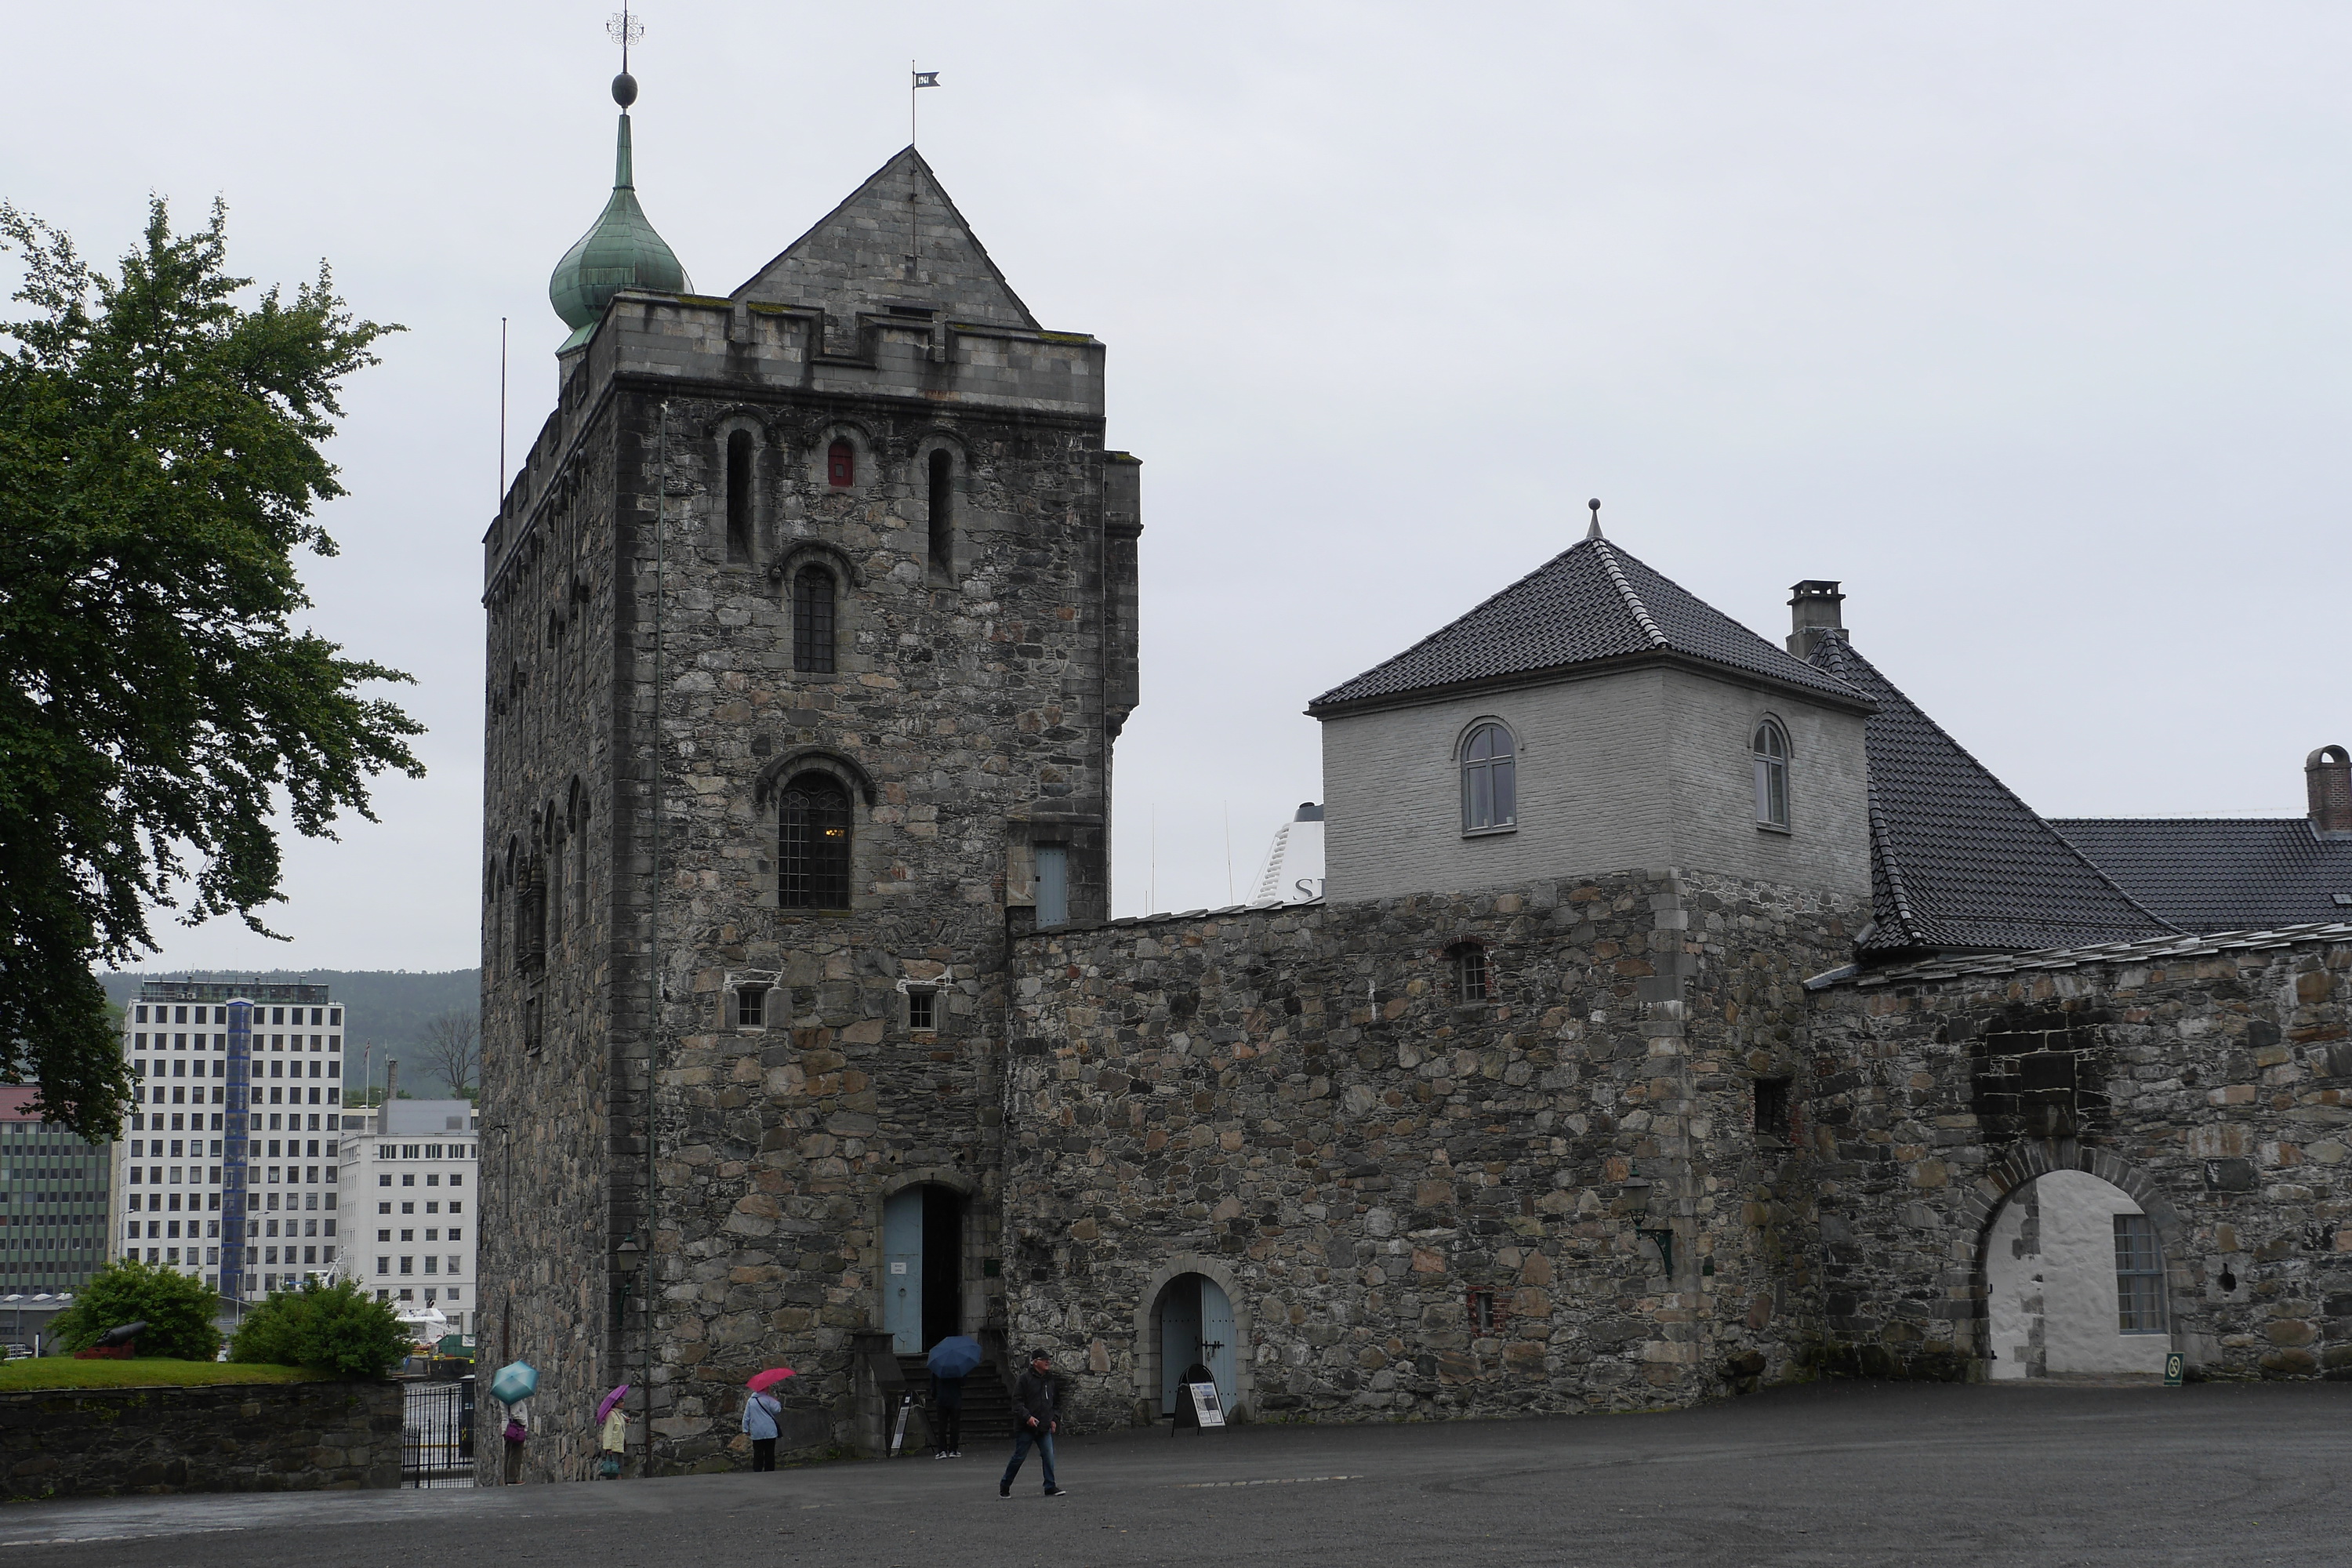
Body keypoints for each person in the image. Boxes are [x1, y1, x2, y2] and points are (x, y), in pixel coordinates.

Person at [999, 1348, 1068, 1497]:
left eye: (1048, 1359)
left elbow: (1056, 1402)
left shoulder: (1050, 1380)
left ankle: (1050, 1485)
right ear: (1036, 1362)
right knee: (1019, 1457)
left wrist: (1054, 1419)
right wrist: (1027, 1417)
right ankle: (1005, 1485)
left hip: (1044, 1426)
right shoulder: (1024, 1379)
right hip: (1026, 1427)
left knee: (1048, 1455)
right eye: (1044, 1360)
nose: (1048, 1362)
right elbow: (1017, 1403)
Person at [742, 1385, 781, 1472]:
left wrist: (746, 1429)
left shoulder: (751, 1401)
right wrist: (777, 1402)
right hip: (769, 1429)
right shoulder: (769, 1399)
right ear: (766, 1388)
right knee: (770, 1451)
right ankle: (769, 1470)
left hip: (756, 1430)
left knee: (758, 1451)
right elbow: (777, 1410)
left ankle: (757, 1469)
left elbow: (746, 1417)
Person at [932, 1363, 965, 1458]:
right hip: (955, 1399)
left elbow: (933, 1383)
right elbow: (963, 1382)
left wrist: (935, 1395)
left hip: (941, 1399)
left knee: (942, 1425)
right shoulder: (958, 1367)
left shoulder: (937, 1367)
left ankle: (942, 1450)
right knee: (954, 1425)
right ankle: (953, 1449)